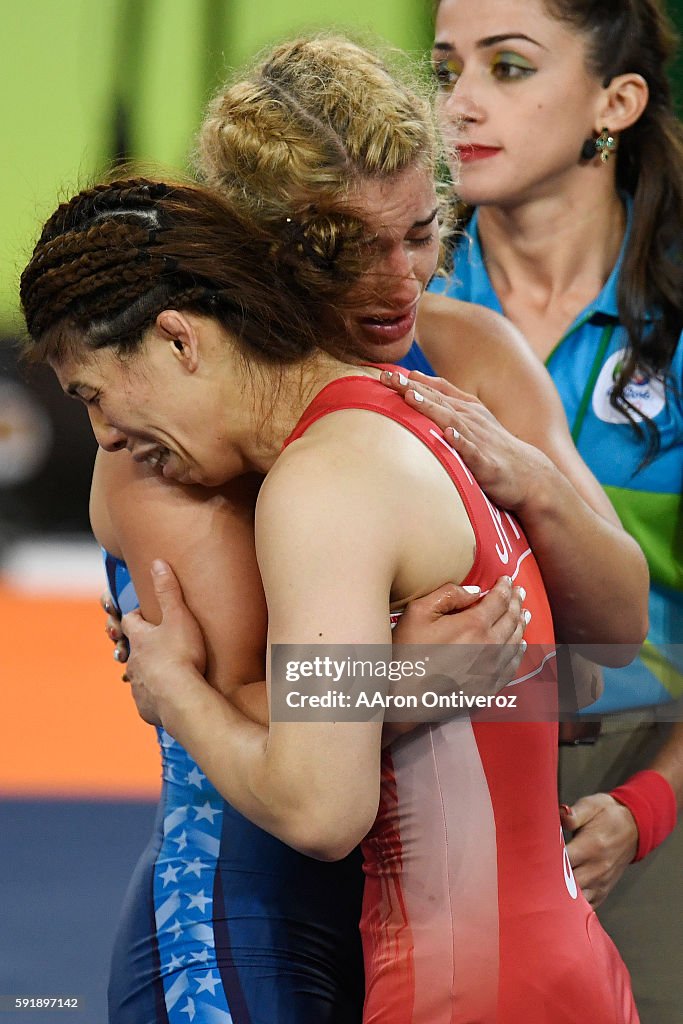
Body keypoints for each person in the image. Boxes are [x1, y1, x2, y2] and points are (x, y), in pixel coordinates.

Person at [21, 164, 644, 1022]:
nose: (103, 436)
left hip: (446, 979)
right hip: (554, 961)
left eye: (94, 395)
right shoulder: (418, 410)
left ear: (178, 337)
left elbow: (318, 806)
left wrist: (175, 690)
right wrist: (395, 679)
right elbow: (583, 673)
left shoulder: (322, 478)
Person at [398, 1, 682, 1019]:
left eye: (507, 67)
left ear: (615, 102)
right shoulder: (384, 304)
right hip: (414, 777)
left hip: (643, 784)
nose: (459, 103)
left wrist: (645, 807)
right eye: (442, 71)